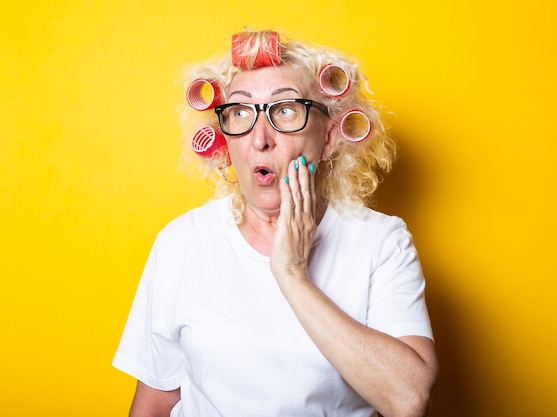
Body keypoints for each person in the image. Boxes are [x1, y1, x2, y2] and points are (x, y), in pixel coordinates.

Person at [113, 29, 438, 417]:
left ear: (330, 136)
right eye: (241, 112)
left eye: (285, 110)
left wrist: (291, 274)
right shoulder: (182, 242)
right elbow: (154, 404)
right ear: (226, 140)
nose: (260, 138)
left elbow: (408, 398)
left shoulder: (380, 242)